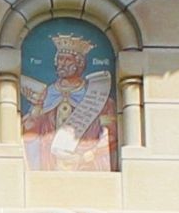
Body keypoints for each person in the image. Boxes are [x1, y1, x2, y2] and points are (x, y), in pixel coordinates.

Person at [21, 30, 118, 171]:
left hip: (86, 164)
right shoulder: (46, 95)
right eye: (60, 59)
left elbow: (111, 135)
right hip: (50, 163)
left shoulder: (98, 97)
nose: (62, 64)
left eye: (67, 60)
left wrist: (87, 155)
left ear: (79, 63)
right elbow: (30, 134)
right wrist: (37, 108)